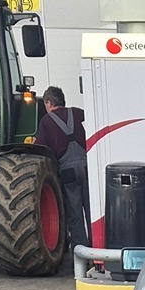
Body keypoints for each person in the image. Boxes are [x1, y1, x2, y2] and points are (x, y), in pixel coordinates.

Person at [34, 86, 89, 262]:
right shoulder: (79, 113)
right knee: (92, 213)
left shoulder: (46, 121)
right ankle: (100, 256)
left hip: (67, 172)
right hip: (87, 168)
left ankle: (82, 259)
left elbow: (41, 149)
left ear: (49, 103)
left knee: (75, 217)